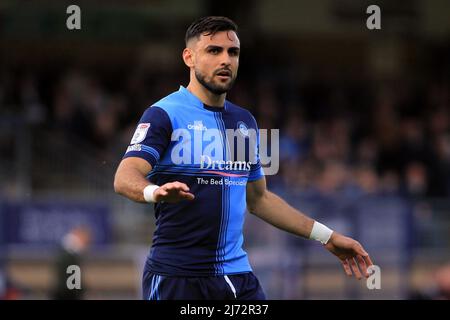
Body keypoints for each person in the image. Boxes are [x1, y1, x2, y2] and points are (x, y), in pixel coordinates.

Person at [114, 16, 373, 300]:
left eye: (232, 52)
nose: (225, 59)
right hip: (177, 279)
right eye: (214, 51)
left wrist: (327, 236)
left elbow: (259, 199)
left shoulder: (243, 122)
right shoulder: (164, 114)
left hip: (236, 277)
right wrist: (155, 191)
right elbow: (124, 177)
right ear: (189, 57)